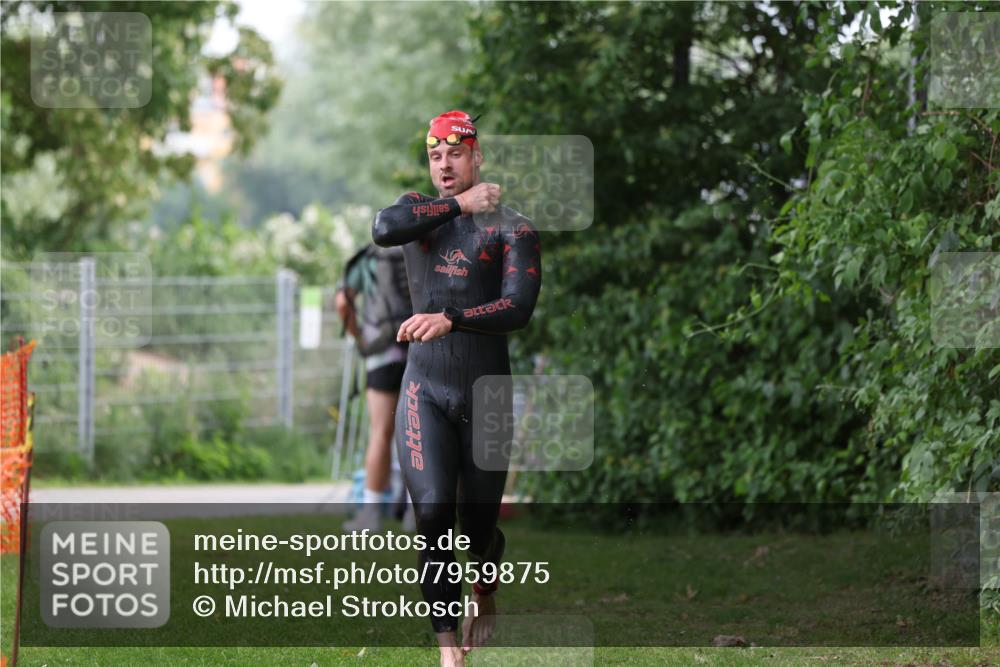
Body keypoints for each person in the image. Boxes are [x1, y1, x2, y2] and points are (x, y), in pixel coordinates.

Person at [371, 110, 541, 667]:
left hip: (487, 394)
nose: (445, 164)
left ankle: (485, 587)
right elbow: (382, 228)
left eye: (456, 154)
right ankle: (449, 653)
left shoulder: (513, 229)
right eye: (435, 155)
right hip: (425, 391)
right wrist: (458, 206)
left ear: (478, 157)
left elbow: (517, 309)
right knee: (434, 513)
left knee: (477, 530)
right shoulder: (419, 215)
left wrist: (452, 317)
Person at [335, 242, 414, 533]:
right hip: (419, 352)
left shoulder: (367, 255)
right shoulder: (421, 246)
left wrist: (360, 338)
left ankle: (370, 516)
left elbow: (343, 303)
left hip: (381, 354)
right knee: (419, 433)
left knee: (381, 433)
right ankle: (414, 515)